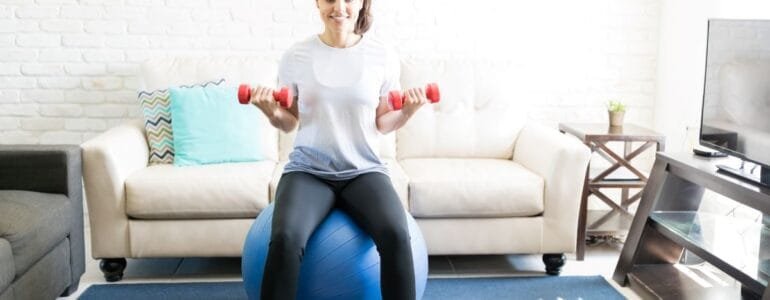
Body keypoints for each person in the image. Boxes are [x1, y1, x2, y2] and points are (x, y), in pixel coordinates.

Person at [248, 0, 429, 299]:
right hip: (308, 171)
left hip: (364, 170)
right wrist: (269, 111)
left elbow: (383, 122)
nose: (340, 7)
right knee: (285, 238)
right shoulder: (296, 56)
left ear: (362, 4)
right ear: (318, 3)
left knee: (397, 234)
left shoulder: (381, 56)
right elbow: (288, 122)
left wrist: (410, 110)